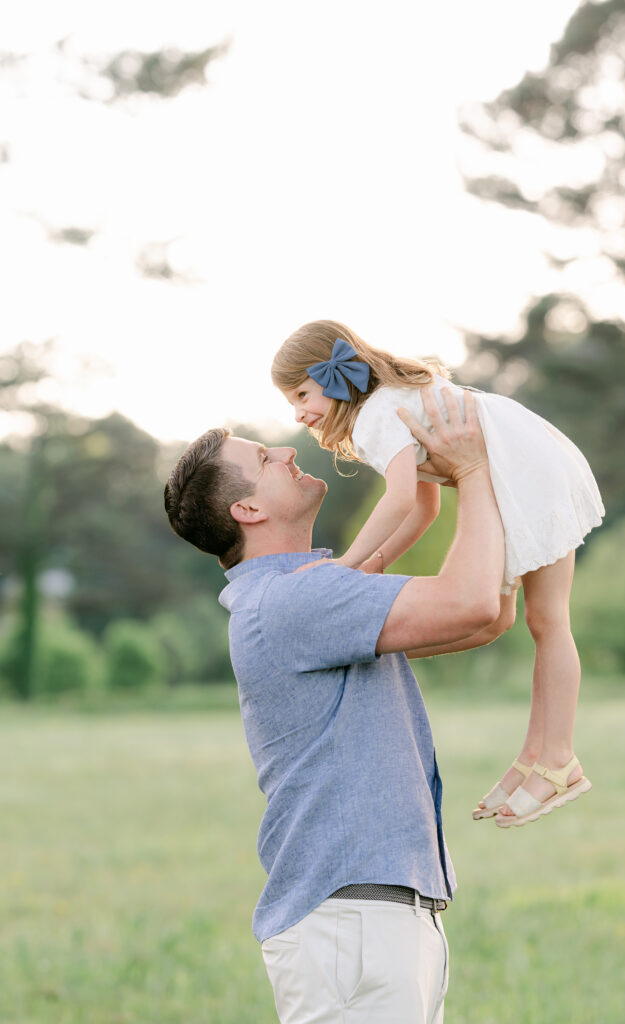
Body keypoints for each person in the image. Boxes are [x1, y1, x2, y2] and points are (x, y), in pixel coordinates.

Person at [164, 388, 508, 1024]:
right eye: (263, 457)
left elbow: (488, 617)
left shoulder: (308, 592)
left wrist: (460, 480)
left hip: (375, 920)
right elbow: (474, 604)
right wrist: (476, 469)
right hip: (355, 926)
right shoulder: (294, 601)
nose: (284, 453)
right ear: (246, 508)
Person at [271, 319, 604, 828]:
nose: (298, 412)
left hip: (527, 471)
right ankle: (534, 757)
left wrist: (346, 565)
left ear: (330, 375)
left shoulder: (375, 415)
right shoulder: (388, 404)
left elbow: (400, 498)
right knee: (532, 620)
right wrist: (377, 562)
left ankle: (559, 758)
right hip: (522, 463)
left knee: (549, 620)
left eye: (300, 393)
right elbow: (424, 508)